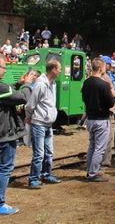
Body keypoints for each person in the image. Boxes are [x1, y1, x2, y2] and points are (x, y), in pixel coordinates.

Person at [0, 55, 34, 215]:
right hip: (4, 134)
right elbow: (22, 97)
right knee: (5, 168)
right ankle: (0, 203)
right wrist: (27, 83)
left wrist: (18, 83)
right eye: (2, 67)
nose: (4, 70)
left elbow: (7, 92)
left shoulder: (3, 88)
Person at [25, 60, 63, 189]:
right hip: (39, 123)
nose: (60, 71)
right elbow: (31, 104)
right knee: (39, 153)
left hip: (47, 124)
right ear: (52, 69)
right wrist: (29, 117)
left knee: (49, 152)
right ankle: (33, 179)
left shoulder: (52, 84)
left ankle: (46, 174)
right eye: (59, 69)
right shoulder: (41, 85)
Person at [81, 58, 115, 182]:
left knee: (92, 145)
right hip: (101, 119)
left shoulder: (86, 83)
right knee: (99, 148)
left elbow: (84, 98)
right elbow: (111, 102)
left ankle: (89, 170)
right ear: (101, 68)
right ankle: (93, 173)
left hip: (90, 118)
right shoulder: (104, 85)